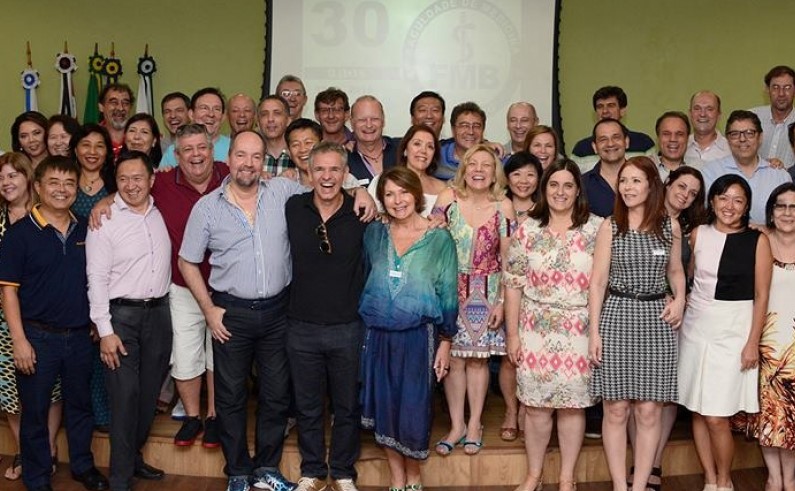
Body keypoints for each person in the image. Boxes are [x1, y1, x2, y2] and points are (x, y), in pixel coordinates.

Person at [178, 132, 375, 491]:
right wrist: (208, 309)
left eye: (256, 157)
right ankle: (238, 471)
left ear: (263, 163)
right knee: (231, 397)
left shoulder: (283, 194)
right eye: (241, 155)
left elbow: (330, 179)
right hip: (231, 314)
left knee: (276, 396)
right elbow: (187, 261)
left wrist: (361, 191)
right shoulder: (207, 207)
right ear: (229, 158)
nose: (248, 163)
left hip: (278, 314)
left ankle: (267, 467)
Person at [0, 156, 109, 491]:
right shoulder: (19, 234)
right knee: (34, 412)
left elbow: (96, 279)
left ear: (76, 188)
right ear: (38, 187)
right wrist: (19, 340)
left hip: (78, 336)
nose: (62, 190)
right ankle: (37, 476)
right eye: (54, 183)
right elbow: (8, 291)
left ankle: (82, 466)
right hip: (37, 337)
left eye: (69, 183)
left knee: (80, 407)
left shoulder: (86, 228)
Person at [588, 156, 686, 491]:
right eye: (624, 181)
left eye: (635, 181)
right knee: (615, 410)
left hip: (656, 322)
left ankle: (640, 484)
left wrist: (681, 298)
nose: (628, 187)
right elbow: (598, 282)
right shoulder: (610, 226)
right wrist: (594, 333)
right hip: (616, 317)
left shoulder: (668, 226)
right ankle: (619, 485)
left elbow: (675, 271)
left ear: (651, 186)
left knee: (648, 412)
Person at [504, 159, 602, 491]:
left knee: (573, 409)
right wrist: (513, 335)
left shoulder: (596, 228)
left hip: (579, 329)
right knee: (535, 408)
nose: (560, 192)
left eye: (568, 185)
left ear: (578, 190)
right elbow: (513, 283)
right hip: (534, 329)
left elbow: (601, 284)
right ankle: (534, 475)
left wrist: (597, 334)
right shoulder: (527, 228)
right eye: (554, 185)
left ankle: (567, 478)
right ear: (545, 190)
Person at [360, 166, 457, 490]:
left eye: (403, 192)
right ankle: (397, 480)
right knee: (385, 408)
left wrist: (445, 340)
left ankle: (414, 478)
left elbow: (448, 291)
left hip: (419, 337)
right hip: (377, 335)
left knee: (413, 410)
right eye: (389, 194)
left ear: (416, 194)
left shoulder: (438, 237)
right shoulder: (374, 233)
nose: (397, 200)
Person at [678, 174, 771, 491]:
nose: (729, 205)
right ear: (712, 201)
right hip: (696, 327)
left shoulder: (757, 240)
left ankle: (725, 480)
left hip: (734, 329)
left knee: (717, 414)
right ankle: (708, 478)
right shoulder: (698, 234)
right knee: (698, 409)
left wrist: (752, 342)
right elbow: (687, 280)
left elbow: (762, 295)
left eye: (738, 199)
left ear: (746, 206)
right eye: (723, 197)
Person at [285, 141, 369, 491]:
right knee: (307, 406)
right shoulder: (292, 207)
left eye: (335, 169)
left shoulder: (362, 212)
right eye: (320, 169)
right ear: (309, 171)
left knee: (346, 406)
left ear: (346, 173)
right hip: (301, 325)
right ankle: (312, 470)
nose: (327, 176)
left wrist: (366, 195)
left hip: (347, 326)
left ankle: (344, 472)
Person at [87, 151, 172, 491]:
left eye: (138, 178)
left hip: (159, 315)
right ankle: (120, 479)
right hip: (120, 317)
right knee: (124, 397)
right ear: (115, 183)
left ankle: (133, 458)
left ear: (152, 180)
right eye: (123, 179)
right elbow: (96, 278)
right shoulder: (104, 220)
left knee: (149, 394)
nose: (131, 185)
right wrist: (104, 331)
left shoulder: (160, 210)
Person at [432, 144, 515, 456]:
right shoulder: (447, 199)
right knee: (452, 359)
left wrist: (503, 301)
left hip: (487, 290)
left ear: (495, 172)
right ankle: (457, 426)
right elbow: (431, 240)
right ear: (463, 169)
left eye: (487, 165)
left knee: (478, 361)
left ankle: (476, 423)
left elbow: (510, 258)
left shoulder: (504, 207)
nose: (479, 170)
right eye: (472, 164)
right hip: (449, 289)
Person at [628, 166, 706, 491]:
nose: (685, 194)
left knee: (666, 395)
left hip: (674, 316)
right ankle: (638, 462)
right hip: (636, 314)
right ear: (667, 182)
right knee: (637, 394)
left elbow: (688, 273)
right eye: (681, 186)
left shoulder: (693, 229)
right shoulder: (639, 214)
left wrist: (679, 301)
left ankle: (654, 462)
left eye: (693, 193)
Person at [0, 153, 63, 482]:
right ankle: (26, 448)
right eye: (2, 177)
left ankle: (48, 448)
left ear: (29, 179)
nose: (7, 182)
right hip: (3, 321)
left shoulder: (50, 215)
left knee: (49, 389)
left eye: (14, 175)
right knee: (9, 390)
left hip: (44, 316)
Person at [748, 183, 795, 491]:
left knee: (791, 416)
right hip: (765, 343)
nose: (788, 213)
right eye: (781, 206)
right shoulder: (758, 241)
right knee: (769, 415)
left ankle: (789, 480)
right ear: (771, 210)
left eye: (794, 207)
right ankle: (773, 476)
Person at [702, 110, 792, 225]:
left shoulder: (780, 176)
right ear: (727, 139)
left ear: (760, 137)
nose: (742, 139)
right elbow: (704, 216)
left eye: (749, 133)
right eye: (735, 134)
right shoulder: (711, 172)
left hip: (770, 242)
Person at [368, 124, 447, 216]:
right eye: (417, 144)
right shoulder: (383, 180)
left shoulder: (443, 188)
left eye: (430, 147)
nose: (423, 151)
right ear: (405, 150)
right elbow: (371, 217)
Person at [570, 86, 655, 170]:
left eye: (611, 106)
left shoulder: (644, 144)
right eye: (600, 106)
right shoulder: (581, 150)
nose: (605, 111)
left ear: (622, 111)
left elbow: (654, 179)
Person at [161, 88, 231, 167]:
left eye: (217, 109)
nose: (211, 114)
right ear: (191, 114)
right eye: (204, 108)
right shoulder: (174, 151)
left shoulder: (234, 148)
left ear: (223, 116)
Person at [582, 118, 630, 218]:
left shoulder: (646, 179)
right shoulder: (582, 184)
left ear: (626, 142)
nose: (610, 144)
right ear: (595, 147)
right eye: (603, 139)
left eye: (616, 137)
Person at [347, 95, 399, 185]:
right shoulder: (344, 159)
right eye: (362, 120)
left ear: (383, 121)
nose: (369, 125)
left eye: (374, 119)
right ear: (352, 123)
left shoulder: (402, 148)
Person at [751, 65, 795, 168]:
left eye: (787, 88)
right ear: (767, 89)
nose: (781, 93)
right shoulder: (751, 118)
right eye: (775, 87)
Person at [436, 102, 488, 181]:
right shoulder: (436, 156)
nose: (471, 132)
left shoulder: (494, 159)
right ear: (453, 129)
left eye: (476, 126)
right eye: (464, 125)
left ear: (483, 130)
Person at [685, 91, 730, 168]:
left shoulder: (730, 150)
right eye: (697, 108)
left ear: (719, 115)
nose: (702, 114)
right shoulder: (679, 148)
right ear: (690, 114)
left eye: (709, 109)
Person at [258, 95, 294, 176]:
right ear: (258, 122)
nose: (270, 119)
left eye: (277, 113)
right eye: (264, 114)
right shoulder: (251, 157)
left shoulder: (298, 155)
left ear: (288, 120)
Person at [504, 151, 542, 223]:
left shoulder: (545, 211)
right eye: (517, 174)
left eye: (530, 175)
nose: (523, 181)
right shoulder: (497, 209)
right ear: (506, 179)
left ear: (538, 179)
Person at [98, 83, 134, 158]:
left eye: (125, 103)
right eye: (114, 102)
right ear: (101, 107)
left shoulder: (139, 138)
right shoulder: (90, 137)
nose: (120, 108)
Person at [653, 111, 691, 179]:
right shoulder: (644, 168)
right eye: (666, 134)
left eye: (679, 134)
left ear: (687, 138)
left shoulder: (702, 168)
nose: (673, 139)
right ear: (658, 138)